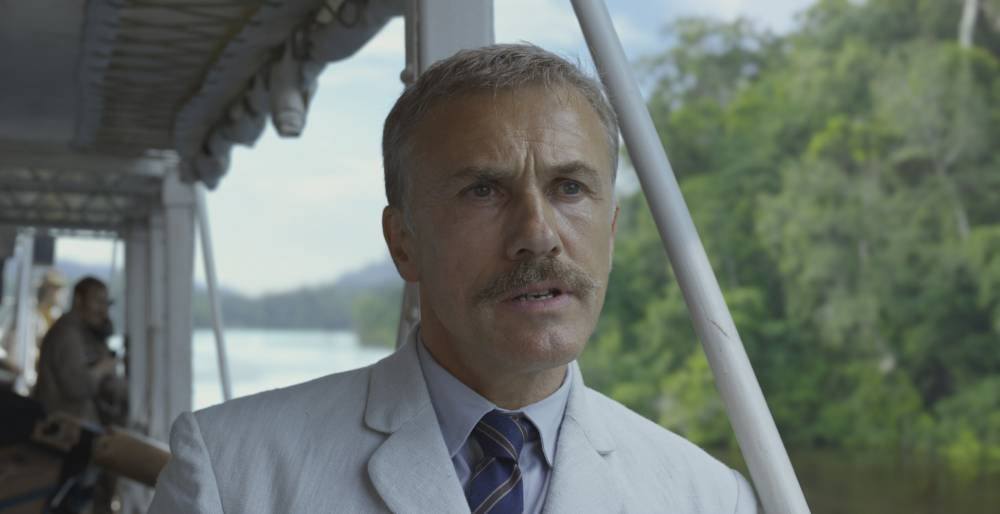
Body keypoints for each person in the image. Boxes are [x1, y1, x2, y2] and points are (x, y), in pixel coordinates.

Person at [149, 44, 759, 513]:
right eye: (484, 190)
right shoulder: (232, 472)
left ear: (612, 231)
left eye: (570, 188)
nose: (538, 234)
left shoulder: (708, 498)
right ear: (403, 242)